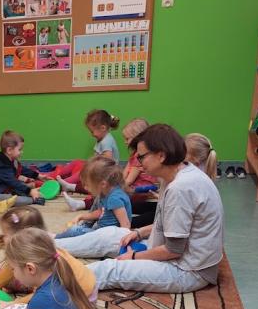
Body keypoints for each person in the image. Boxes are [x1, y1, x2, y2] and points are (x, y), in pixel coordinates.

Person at [89, 123, 225, 293]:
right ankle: (58, 246)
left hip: (188, 271)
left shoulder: (180, 188)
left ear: (161, 155)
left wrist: (134, 256)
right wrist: (139, 232)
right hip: (178, 256)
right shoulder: (176, 174)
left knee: (110, 269)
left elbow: (174, 250)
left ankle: (61, 280)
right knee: (110, 235)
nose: (139, 163)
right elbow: (174, 226)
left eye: (142, 157)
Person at [53, 157, 132, 257]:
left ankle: (55, 238)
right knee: (79, 229)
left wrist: (123, 245)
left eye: (87, 185)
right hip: (100, 230)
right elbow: (100, 212)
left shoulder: (114, 198)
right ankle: (59, 238)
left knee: (75, 231)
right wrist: (81, 216)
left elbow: (126, 226)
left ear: (103, 184)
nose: (85, 188)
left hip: (108, 238)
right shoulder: (105, 192)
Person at [57, 109, 120, 207]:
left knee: (91, 184)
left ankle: (69, 191)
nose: (91, 134)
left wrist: (93, 164)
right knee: (86, 178)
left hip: (108, 174)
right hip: (103, 172)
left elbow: (108, 159)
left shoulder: (106, 141)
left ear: (103, 128)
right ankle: (69, 186)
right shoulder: (103, 139)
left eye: (92, 131)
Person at [0, 131, 44, 206]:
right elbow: (14, 182)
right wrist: (30, 191)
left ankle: (30, 193)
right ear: (9, 150)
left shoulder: (11, 160)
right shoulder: (1, 166)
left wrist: (37, 175)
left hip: (2, 187)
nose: (21, 152)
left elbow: (22, 169)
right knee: (14, 199)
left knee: (21, 188)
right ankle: (33, 200)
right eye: (19, 149)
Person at [122, 118, 159, 228]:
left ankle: (125, 223)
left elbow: (128, 181)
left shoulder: (139, 157)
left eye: (127, 138)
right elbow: (124, 175)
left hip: (141, 191)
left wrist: (118, 189)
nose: (125, 142)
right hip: (135, 191)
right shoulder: (134, 155)